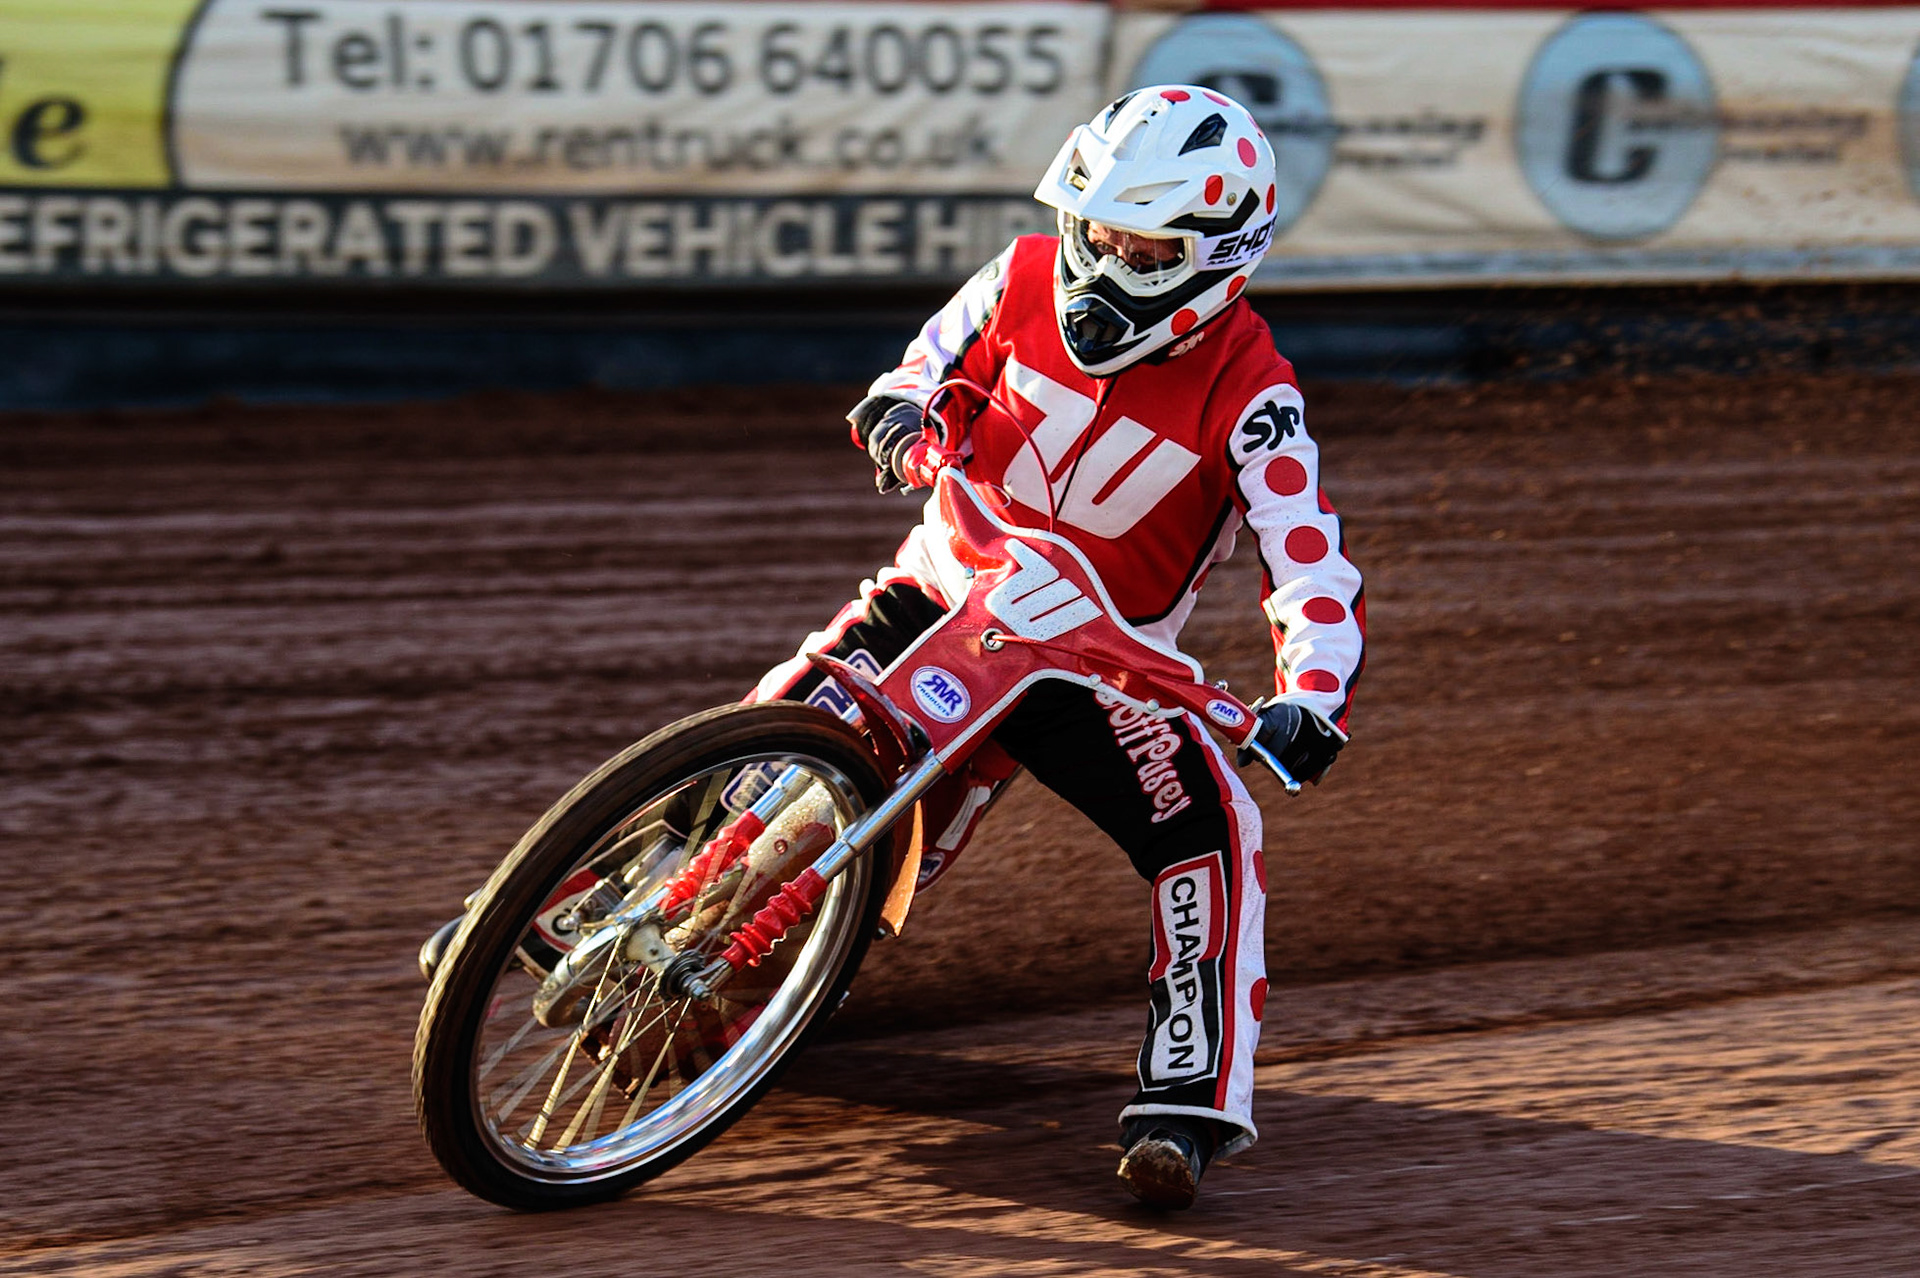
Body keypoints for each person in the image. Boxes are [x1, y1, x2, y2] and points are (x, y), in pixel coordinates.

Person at [746, 84, 1366, 1210]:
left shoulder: (1255, 395)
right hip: (942, 584)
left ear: (1220, 258)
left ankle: (1187, 1106)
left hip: (1095, 661)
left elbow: (1311, 560)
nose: (1099, 260)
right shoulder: (1024, 270)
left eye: (1140, 245)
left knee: (1214, 832)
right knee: (757, 741)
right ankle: (567, 914)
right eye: (1094, 227)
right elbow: (931, 357)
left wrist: (1311, 696)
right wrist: (900, 408)